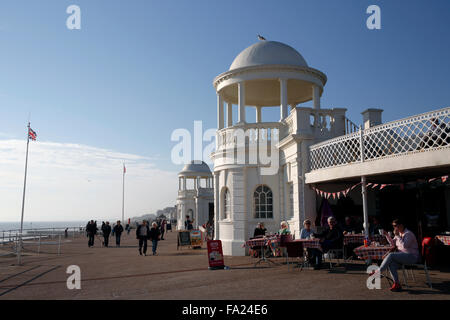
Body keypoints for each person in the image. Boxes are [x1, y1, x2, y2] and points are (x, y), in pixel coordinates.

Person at [373, 218, 420, 292]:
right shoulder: (399, 234)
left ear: (401, 225)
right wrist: (386, 235)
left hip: (412, 256)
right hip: (403, 256)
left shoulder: (408, 234)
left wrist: (397, 236)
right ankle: (397, 283)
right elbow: (392, 244)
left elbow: (405, 246)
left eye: (395, 226)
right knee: (392, 263)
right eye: (393, 226)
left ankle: (378, 272)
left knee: (391, 255)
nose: (394, 228)